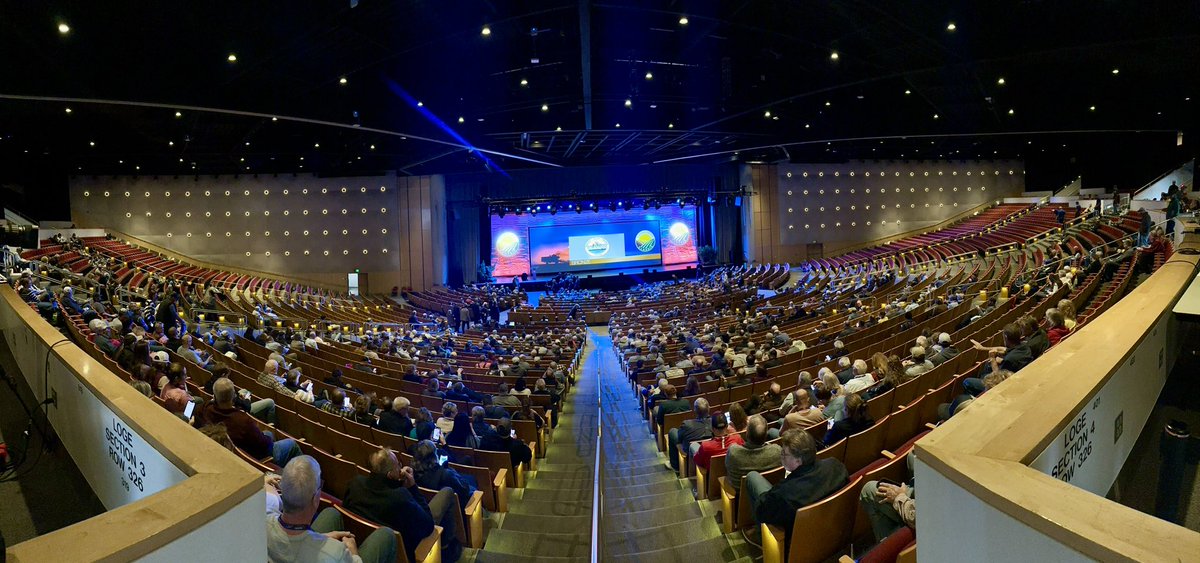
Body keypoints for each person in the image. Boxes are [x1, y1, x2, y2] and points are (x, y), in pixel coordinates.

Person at [266, 456, 397, 563]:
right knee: (386, 535)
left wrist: (322, 537)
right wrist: (353, 552)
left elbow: (291, 542)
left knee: (331, 513)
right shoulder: (336, 553)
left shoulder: (261, 520)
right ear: (316, 498)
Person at [342, 448, 462, 563]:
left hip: (364, 541)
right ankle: (446, 550)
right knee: (447, 492)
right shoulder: (400, 497)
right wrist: (413, 488)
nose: (400, 467)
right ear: (390, 475)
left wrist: (397, 484)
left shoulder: (355, 483)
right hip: (410, 548)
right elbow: (428, 525)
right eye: (398, 466)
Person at [746, 429, 849, 546]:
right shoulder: (836, 465)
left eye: (784, 453)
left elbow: (761, 511)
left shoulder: (783, 494)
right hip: (833, 527)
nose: (782, 456)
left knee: (752, 477)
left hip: (797, 540)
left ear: (798, 460)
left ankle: (761, 538)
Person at [202, 378, 301, 466]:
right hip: (254, 457)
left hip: (238, 449)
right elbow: (265, 445)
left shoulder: (207, 408)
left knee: (269, 433)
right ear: (234, 397)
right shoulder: (242, 420)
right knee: (292, 444)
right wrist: (267, 440)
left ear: (214, 395)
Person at [410, 440, 478, 511]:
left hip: (433, 510)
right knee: (472, 481)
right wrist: (450, 470)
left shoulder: (413, 476)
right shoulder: (446, 474)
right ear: (434, 456)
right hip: (455, 512)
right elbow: (465, 490)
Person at [725, 415, 783, 491]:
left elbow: (727, 469)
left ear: (747, 433)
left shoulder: (733, 451)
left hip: (740, 498)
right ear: (766, 435)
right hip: (771, 492)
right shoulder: (777, 451)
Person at [668, 398, 713, 471]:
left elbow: (679, 439)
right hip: (708, 451)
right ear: (709, 408)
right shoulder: (715, 423)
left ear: (694, 410)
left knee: (672, 431)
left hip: (689, 452)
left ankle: (675, 466)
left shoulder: (686, 424)